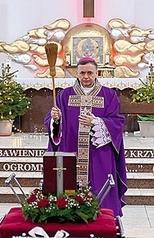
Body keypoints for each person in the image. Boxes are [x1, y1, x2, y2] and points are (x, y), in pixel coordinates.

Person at [44, 57, 127, 217]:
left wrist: (96, 122)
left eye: (90, 73)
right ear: (77, 73)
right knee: (70, 185)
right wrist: (56, 119)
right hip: (71, 149)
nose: (86, 76)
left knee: (101, 188)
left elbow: (117, 122)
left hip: (99, 154)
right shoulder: (64, 95)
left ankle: (105, 221)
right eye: (82, 73)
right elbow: (52, 123)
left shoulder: (109, 95)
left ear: (97, 73)